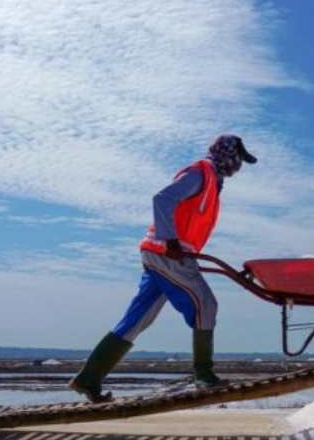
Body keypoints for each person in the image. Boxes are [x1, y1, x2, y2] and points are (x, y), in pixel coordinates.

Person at [69, 133, 257, 403]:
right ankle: (204, 375)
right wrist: (170, 241)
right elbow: (162, 199)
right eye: (238, 159)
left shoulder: (213, 181)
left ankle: (88, 379)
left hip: (161, 253)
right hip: (167, 254)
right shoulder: (201, 173)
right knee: (206, 305)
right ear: (227, 155)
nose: (238, 167)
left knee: (137, 319)